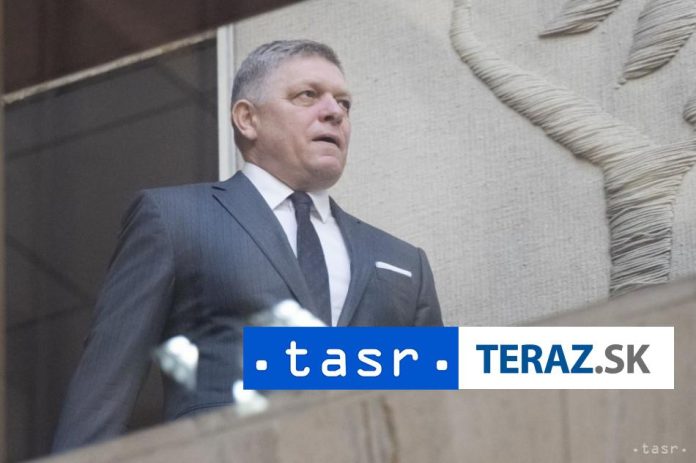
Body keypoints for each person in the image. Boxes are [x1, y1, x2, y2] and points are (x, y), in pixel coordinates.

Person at [52, 39, 443, 452]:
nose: (335, 112)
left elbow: (433, 418)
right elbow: (104, 387)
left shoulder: (404, 263)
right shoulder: (176, 218)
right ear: (247, 119)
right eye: (307, 95)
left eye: (344, 103)